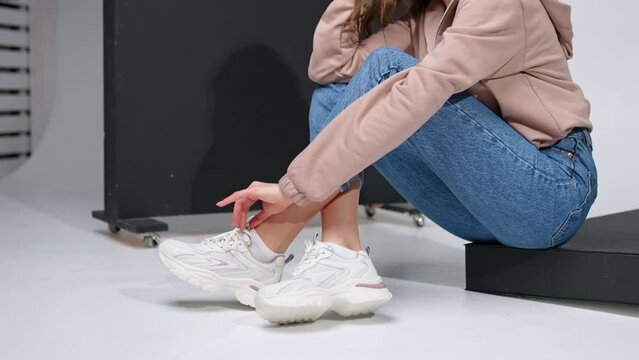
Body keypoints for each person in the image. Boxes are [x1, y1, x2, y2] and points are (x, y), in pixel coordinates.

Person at [158, 0, 597, 325]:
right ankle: (341, 250)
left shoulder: (501, 4)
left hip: (550, 192)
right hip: (481, 205)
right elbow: (334, 66)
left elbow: (420, 87)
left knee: (391, 72)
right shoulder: (429, 15)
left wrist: (293, 189)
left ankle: (267, 243)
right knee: (335, 95)